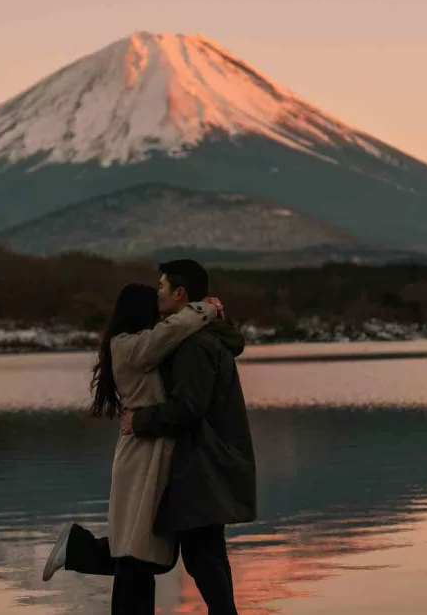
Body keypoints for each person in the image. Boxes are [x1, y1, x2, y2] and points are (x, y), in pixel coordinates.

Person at [41, 282, 222, 614]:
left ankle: (77, 548)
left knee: (144, 553)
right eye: (154, 304)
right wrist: (205, 308)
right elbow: (174, 328)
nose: (159, 310)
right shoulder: (129, 346)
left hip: (149, 451)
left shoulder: (135, 346)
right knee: (139, 555)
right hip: (141, 457)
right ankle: (77, 548)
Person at [121, 259, 256, 615]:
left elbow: (188, 407)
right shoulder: (209, 338)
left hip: (202, 463)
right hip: (211, 459)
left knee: (202, 557)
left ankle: (77, 551)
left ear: (180, 294)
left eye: (162, 286)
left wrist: (140, 420)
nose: (157, 293)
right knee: (204, 554)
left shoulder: (194, 346)